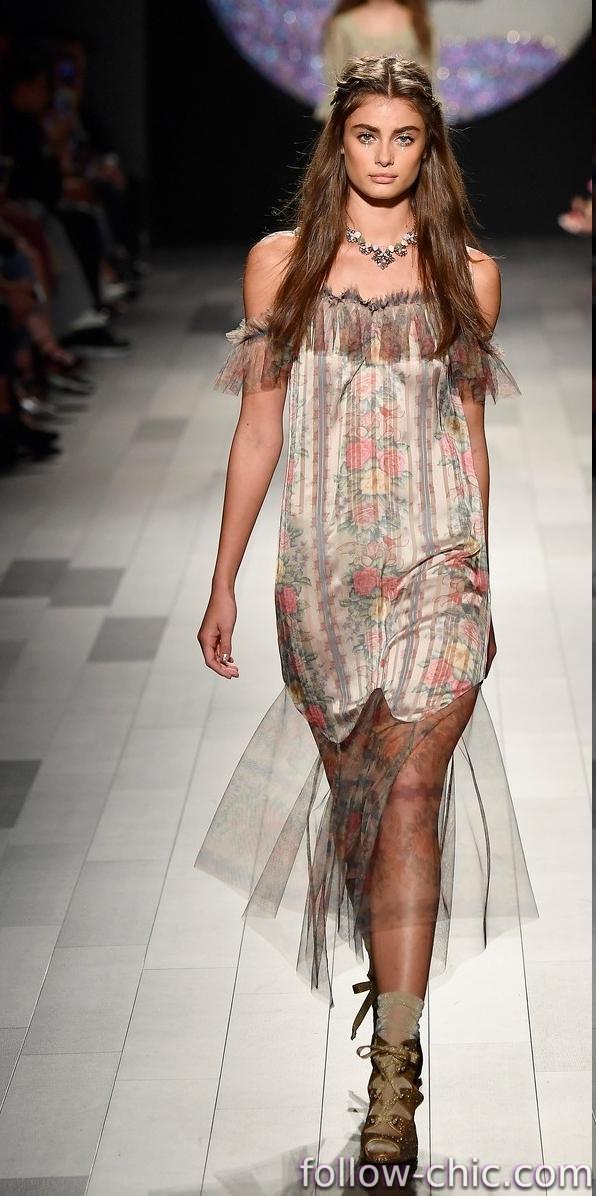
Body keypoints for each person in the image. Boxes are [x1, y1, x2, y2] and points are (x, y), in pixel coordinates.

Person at [194, 54, 538, 1175]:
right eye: (365, 135)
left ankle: (395, 1068)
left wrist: (480, 574)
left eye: (404, 137)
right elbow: (258, 428)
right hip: (324, 569)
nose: (384, 155)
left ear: (429, 150)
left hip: (438, 565)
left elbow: (469, 433)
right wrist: (224, 578)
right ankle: (388, 988)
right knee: (365, 814)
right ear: (335, 143)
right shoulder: (281, 266)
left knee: (413, 795)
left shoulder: (468, 275)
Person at [315, 0, 437, 122]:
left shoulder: (419, 21)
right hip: (357, 118)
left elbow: (428, 79)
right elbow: (334, 84)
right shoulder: (342, 26)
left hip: (408, 118)